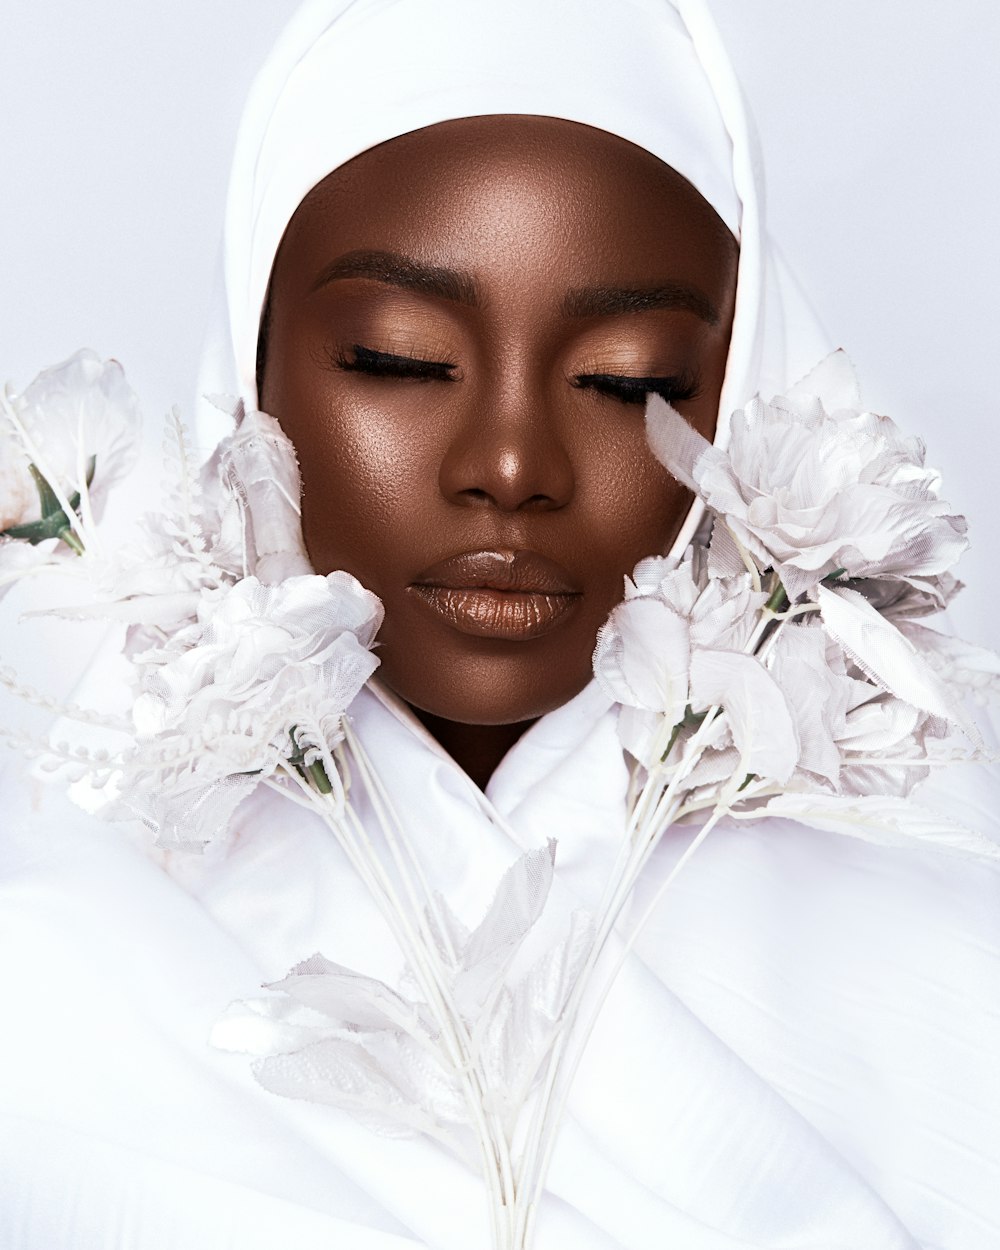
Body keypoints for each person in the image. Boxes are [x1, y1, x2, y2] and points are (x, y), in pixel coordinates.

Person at [1, 1, 998, 1247]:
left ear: (738, 393)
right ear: (249, 379)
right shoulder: (54, 970)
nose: (510, 462)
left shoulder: (948, 966)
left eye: (628, 379)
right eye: (398, 357)